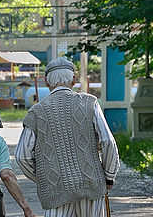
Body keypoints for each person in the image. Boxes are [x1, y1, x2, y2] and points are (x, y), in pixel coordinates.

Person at [15, 58, 120, 217]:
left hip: (55, 189)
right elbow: (107, 141)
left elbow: (22, 156)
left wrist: (44, 177)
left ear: (46, 82)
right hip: (91, 184)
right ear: (74, 79)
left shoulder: (36, 112)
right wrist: (109, 177)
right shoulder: (89, 102)